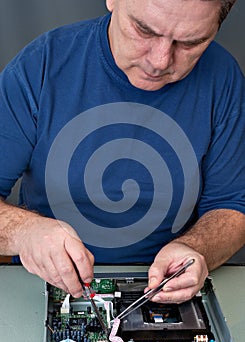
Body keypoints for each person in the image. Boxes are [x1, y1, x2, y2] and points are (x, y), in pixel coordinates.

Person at [0, 0, 244, 304]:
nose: (160, 60)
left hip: (168, 291)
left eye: (190, 43)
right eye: (144, 30)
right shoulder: (40, 66)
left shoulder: (224, 78)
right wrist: (25, 233)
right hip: (41, 286)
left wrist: (197, 248)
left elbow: (233, 205)